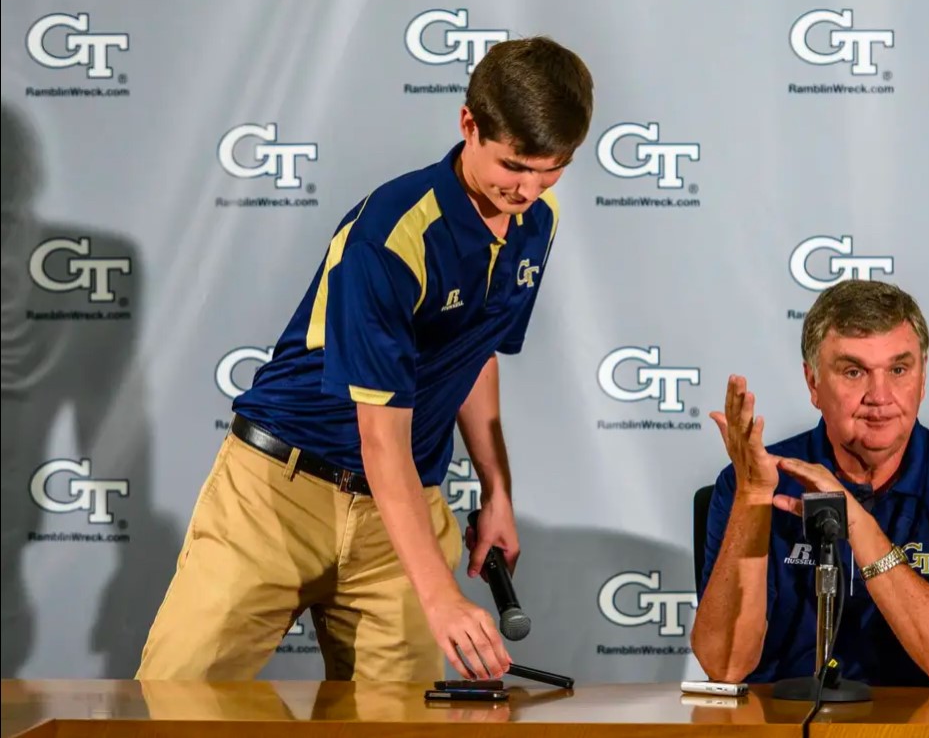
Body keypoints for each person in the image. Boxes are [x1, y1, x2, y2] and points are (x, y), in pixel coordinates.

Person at [136, 36, 593, 682]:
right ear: (469, 124)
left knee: (394, 723)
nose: (531, 187)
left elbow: (475, 354)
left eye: (553, 168)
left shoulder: (536, 223)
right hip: (276, 495)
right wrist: (440, 596)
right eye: (516, 165)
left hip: (400, 513)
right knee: (175, 702)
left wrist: (496, 491)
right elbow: (381, 440)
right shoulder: (392, 230)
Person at [692, 280, 929, 688]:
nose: (880, 395)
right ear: (813, 383)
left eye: (899, 369)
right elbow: (725, 666)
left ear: (923, 377)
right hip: (783, 727)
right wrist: (752, 499)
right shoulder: (758, 482)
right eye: (854, 372)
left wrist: (854, 520)